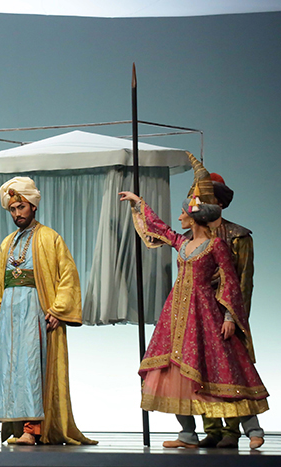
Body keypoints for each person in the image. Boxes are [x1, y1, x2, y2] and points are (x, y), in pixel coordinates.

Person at [119, 152, 268, 450]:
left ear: (196, 216)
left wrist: (229, 317)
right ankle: (187, 434)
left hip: (206, 312)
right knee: (174, 369)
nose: (180, 217)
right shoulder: (183, 243)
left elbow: (230, 280)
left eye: (184, 213)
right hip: (177, 314)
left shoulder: (217, 245)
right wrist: (139, 203)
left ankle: (253, 429)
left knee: (226, 366)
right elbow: (160, 229)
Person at [0, 177, 97, 446]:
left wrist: (57, 310)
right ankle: (18, 427)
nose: (17, 213)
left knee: (32, 369)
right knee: (12, 372)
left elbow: (68, 276)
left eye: (21, 207)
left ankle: (32, 429)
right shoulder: (7, 243)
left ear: (33, 206)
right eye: (13, 209)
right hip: (10, 318)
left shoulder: (49, 238)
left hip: (35, 313)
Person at [197, 173, 255, 449]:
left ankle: (232, 429)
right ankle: (212, 428)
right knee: (201, 369)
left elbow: (243, 280)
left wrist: (233, 316)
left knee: (229, 370)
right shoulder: (192, 236)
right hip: (200, 310)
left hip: (226, 310)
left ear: (218, 203)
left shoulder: (238, 236)